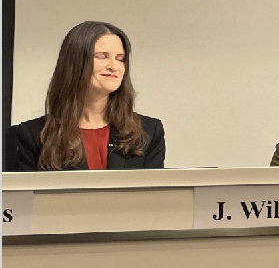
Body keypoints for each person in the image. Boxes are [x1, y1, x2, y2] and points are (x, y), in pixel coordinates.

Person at [9, 21, 165, 171]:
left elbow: (153, 196)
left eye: (120, 59)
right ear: (75, 63)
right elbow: (25, 198)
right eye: (102, 57)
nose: (114, 66)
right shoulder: (33, 135)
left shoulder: (148, 132)